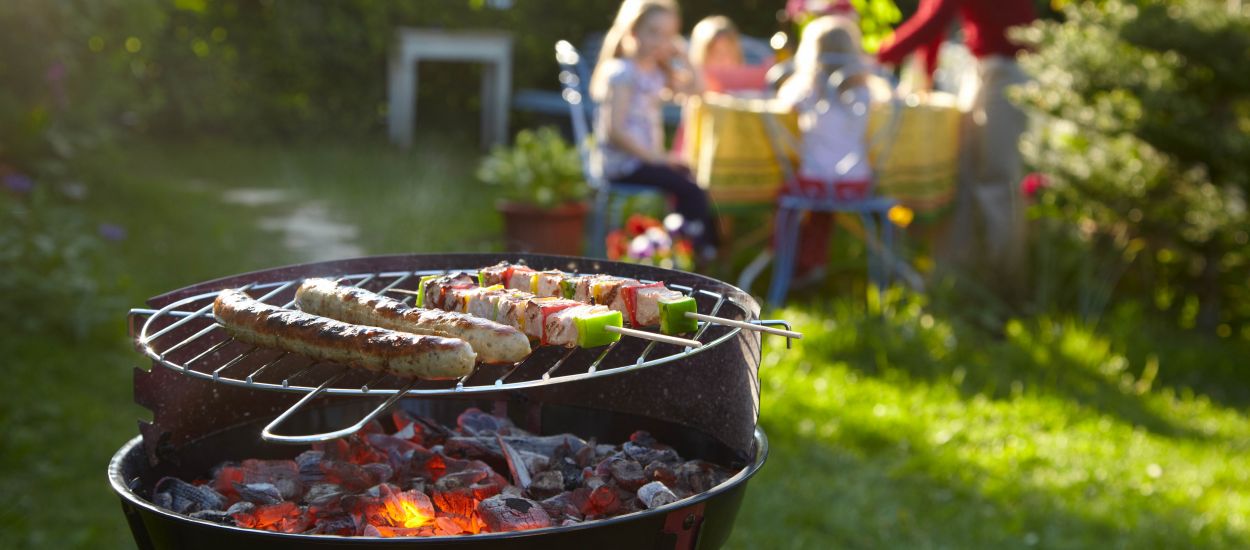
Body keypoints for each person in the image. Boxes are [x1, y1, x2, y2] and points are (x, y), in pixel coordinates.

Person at [876, 0, 1037, 293]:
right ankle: (956, 278)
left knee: (997, 181)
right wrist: (925, 72)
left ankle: (1006, 287)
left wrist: (877, 58)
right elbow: (934, 22)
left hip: (1007, 69)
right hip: (981, 68)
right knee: (958, 173)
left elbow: (934, 19)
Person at [589, 0, 720, 259]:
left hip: (646, 161)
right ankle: (696, 249)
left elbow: (699, 90)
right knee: (688, 187)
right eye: (653, 32)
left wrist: (685, 56)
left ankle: (690, 246)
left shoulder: (658, 72)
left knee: (693, 178)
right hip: (624, 164)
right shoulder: (622, 73)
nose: (660, 41)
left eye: (668, 35)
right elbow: (614, 130)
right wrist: (656, 157)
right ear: (633, 31)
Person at [773, 15, 876, 285]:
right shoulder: (865, 91)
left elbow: (781, 104)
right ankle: (811, 260)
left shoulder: (806, 90)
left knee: (785, 196)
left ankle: (785, 257)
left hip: (815, 181)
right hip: (856, 183)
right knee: (822, 209)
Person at [688, 15, 769, 94]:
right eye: (716, 53)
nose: (724, 59)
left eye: (729, 52)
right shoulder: (689, 85)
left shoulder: (753, 88)